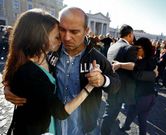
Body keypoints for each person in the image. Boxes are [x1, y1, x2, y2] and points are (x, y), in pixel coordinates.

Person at [4, 7, 120, 135]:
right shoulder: (48, 50)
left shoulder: (97, 58)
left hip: (84, 127)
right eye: (62, 30)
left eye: (74, 32)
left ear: (86, 30)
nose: (66, 37)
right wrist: (9, 87)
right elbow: (21, 64)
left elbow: (116, 85)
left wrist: (103, 80)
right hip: (52, 124)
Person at [114, 37, 158, 135]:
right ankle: (126, 126)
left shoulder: (141, 62)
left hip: (141, 97)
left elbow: (135, 69)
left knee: (133, 113)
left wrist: (120, 64)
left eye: (138, 48)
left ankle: (125, 127)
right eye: (135, 48)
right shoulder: (152, 60)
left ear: (145, 49)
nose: (136, 51)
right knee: (142, 118)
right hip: (151, 96)